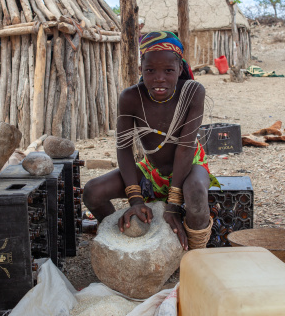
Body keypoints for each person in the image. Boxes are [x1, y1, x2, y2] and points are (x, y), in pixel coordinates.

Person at [83, 31, 217, 250]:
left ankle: (193, 250)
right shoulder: (131, 97)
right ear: (140, 70)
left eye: (168, 71)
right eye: (150, 70)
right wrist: (135, 200)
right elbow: (124, 149)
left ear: (180, 69)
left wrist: (173, 205)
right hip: (150, 172)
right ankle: (125, 238)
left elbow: (185, 149)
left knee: (196, 193)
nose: (159, 78)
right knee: (92, 191)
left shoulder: (193, 91)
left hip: (189, 167)